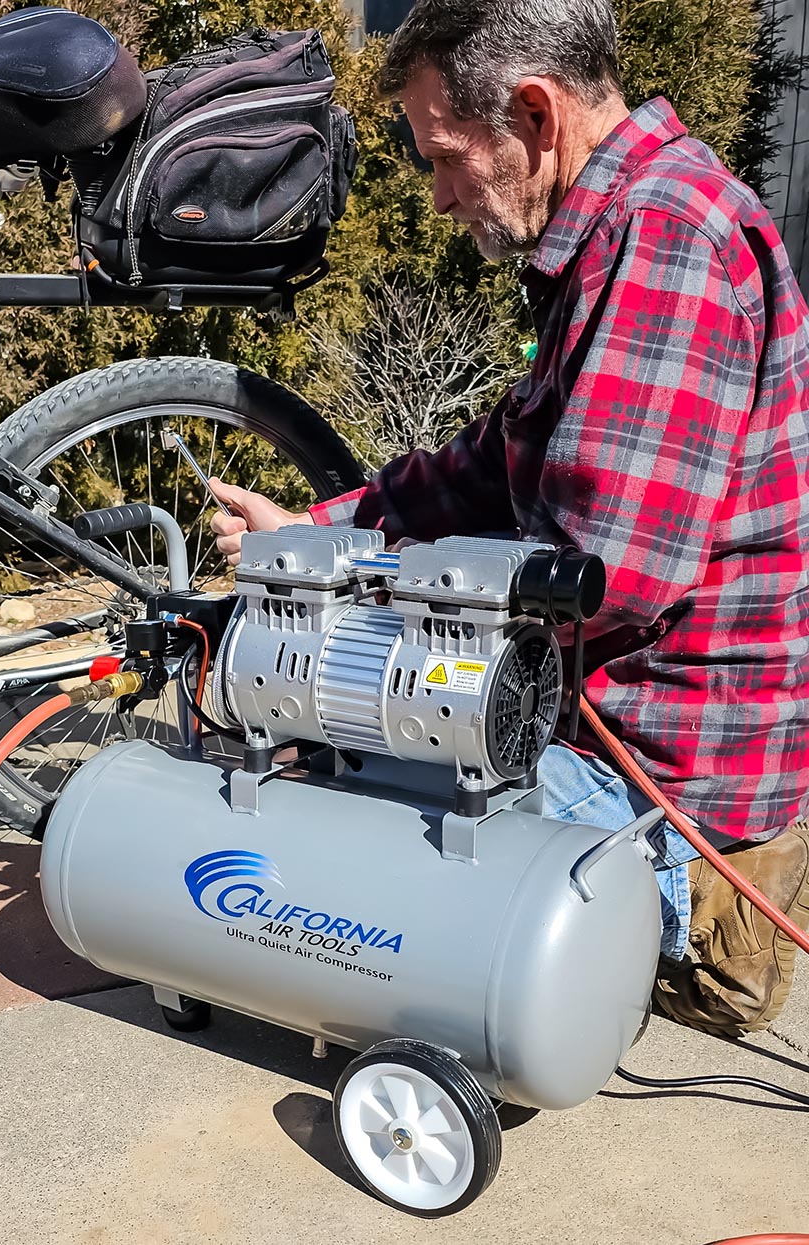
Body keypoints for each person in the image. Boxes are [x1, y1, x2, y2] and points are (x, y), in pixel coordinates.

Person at [210, 0, 809, 1037]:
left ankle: (627, 957)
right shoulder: (618, 235)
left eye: (447, 156)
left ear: (535, 113)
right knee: (323, 752)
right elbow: (492, 466)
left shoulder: (666, 244)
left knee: (306, 828)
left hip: (663, 799)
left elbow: (598, 576)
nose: (441, 197)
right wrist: (315, 531)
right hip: (601, 731)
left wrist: (356, 601)